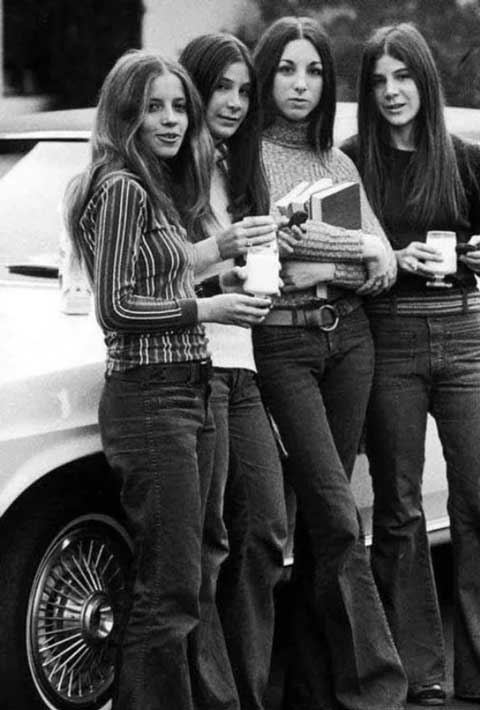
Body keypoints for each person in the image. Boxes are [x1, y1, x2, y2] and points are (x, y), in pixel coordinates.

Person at [64, 49, 272, 710]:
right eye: (153, 106)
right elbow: (117, 306)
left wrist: (220, 264)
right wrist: (208, 305)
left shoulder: (148, 183)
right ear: (125, 112)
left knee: (186, 576)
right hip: (152, 399)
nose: (172, 119)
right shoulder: (122, 184)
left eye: (179, 105)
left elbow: (161, 270)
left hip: (187, 387)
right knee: (169, 588)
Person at [340, 24, 480, 709]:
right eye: (380, 81)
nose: (392, 92)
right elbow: (338, 263)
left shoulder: (471, 160)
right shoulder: (350, 162)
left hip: (464, 335)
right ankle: (419, 673)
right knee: (398, 510)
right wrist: (389, 260)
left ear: (426, 81)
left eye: (404, 77)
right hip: (387, 337)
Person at [249, 16, 407, 710]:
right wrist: (344, 252)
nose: (301, 84)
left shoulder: (337, 162)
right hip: (282, 346)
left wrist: (332, 255)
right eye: (287, 68)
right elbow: (268, 260)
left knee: (322, 525)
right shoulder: (244, 156)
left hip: (351, 344)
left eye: (313, 71)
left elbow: (383, 261)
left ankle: (310, 695)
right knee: (340, 518)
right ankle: (376, 689)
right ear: (266, 75)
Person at [179, 33, 289, 710]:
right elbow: (151, 272)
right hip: (195, 366)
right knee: (206, 548)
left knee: (267, 534)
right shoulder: (169, 167)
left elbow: (250, 264)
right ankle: (215, 699)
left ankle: (245, 690)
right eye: (221, 86)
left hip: (244, 365)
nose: (235, 101)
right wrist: (224, 258)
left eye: (245, 90)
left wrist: (261, 270)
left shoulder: (237, 169)